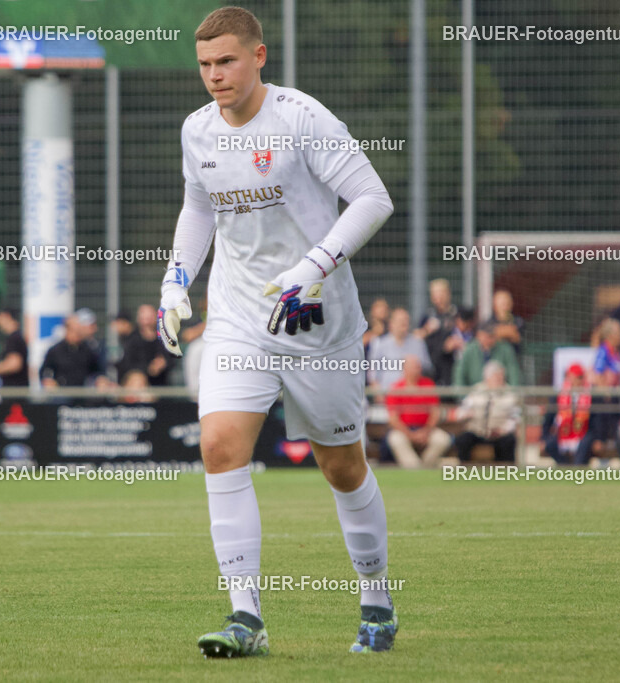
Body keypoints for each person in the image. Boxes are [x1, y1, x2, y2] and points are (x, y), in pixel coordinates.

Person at [154, 7, 397, 656]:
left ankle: (377, 599)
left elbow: (373, 199)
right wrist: (175, 281)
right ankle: (245, 618)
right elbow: (198, 207)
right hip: (239, 318)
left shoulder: (302, 118)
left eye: (226, 61)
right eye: (205, 65)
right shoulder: (197, 130)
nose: (215, 76)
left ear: (258, 56)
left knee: (341, 466)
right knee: (219, 445)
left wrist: (311, 270)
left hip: (318, 322)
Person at [383, 355, 452, 468]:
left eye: (418, 367)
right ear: (404, 368)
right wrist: (410, 435)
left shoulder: (428, 385)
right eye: (413, 367)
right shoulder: (396, 388)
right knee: (395, 439)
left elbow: (435, 413)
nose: (417, 370)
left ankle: (425, 466)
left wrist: (425, 431)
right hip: (404, 430)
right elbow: (393, 419)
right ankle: (414, 468)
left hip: (426, 429)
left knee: (442, 439)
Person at [453, 361, 519, 462]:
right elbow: (461, 411)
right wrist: (466, 414)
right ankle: (464, 469)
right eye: (494, 376)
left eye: (500, 376)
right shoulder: (476, 391)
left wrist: (504, 429)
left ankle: (506, 470)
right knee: (463, 440)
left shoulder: (510, 394)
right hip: (478, 431)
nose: (498, 379)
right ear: (486, 378)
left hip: (500, 433)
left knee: (509, 441)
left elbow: (516, 417)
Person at [366, 307, 433, 394]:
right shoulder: (380, 344)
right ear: (391, 323)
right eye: (400, 320)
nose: (404, 323)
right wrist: (378, 394)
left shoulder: (418, 343)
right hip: (387, 395)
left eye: (406, 320)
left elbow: (427, 370)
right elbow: (372, 376)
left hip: (413, 396)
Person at [543, 363, 597, 466]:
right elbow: (549, 416)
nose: (576, 381)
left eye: (579, 377)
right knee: (550, 444)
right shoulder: (560, 394)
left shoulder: (590, 393)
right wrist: (544, 438)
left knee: (586, 443)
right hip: (563, 432)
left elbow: (597, 419)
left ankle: (577, 468)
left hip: (584, 432)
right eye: (574, 377)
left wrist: (599, 438)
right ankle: (565, 466)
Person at [39, 311, 107, 388]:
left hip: (83, 391)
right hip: (62, 391)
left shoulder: (88, 350)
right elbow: (45, 371)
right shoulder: (55, 350)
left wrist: (100, 379)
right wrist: (48, 381)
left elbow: (97, 370)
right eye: (75, 330)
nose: (78, 333)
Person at [118, 304, 177, 387]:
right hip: (138, 384)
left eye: (149, 318)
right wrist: (148, 368)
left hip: (161, 384)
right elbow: (127, 364)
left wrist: (164, 363)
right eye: (145, 318)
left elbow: (172, 360)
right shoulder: (131, 340)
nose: (147, 322)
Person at [452, 321, 522, 387]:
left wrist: (513, 391)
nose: (489, 339)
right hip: (476, 391)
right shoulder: (470, 349)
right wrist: (462, 394)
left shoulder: (505, 349)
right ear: (479, 335)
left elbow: (514, 373)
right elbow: (459, 374)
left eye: (492, 336)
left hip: (500, 390)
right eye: (486, 336)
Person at [416, 279, 457, 369]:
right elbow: (415, 338)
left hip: (452, 364)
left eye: (441, 294)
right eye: (435, 294)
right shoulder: (428, 316)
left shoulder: (456, 315)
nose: (439, 298)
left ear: (448, 294)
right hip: (432, 364)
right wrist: (427, 330)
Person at [435, 305, 476, 386]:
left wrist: (467, 348)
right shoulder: (447, 335)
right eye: (458, 319)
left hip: (469, 380)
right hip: (449, 379)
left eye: (463, 320)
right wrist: (445, 348)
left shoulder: (475, 337)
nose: (460, 322)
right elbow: (436, 358)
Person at [486, 290, 524, 357]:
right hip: (494, 358)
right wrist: (507, 332)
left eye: (507, 303)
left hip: (513, 358)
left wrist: (497, 333)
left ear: (511, 304)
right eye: (502, 304)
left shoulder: (518, 320)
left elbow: (516, 337)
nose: (505, 307)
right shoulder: (489, 322)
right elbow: (486, 338)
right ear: (495, 306)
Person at [592, 318, 620, 387]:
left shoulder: (617, 352)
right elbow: (598, 375)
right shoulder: (603, 351)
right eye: (619, 333)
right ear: (610, 335)